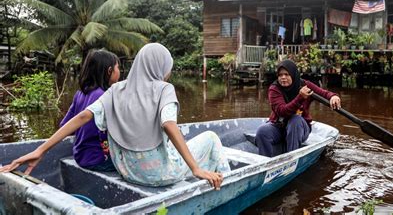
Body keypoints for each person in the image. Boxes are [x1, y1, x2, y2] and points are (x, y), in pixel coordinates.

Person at [1, 43, 229, 190]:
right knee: (210, 138)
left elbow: (81, 117)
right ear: (161, 67)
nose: (168, 72)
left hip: (127, 172)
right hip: (158, 175)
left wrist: (41, 150)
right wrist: (196, 169)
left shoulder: (116, 89)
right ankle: (227, 182)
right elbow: (169, 124)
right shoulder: (164, 89)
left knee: (171, 146)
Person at [255, 59, 341, 157]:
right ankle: (265, 162)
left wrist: (334, 96)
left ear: (293, 74)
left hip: (299, 128)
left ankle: (292, 158)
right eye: (280, 75)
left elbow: (324, 93)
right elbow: (282, 111)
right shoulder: (274, 89)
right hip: (279, 126)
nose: (283, 77)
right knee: (262, 131)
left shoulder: (305, 86)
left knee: (295, 120)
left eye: (287, 74)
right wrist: (300, 98)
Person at [60, 49, 120, 172]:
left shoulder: (80, 93)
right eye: (118, 68)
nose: (119, 72)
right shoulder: (105, 96)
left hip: (80, 156)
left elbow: (64, 126)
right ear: (110, 71)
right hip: (100, 159)